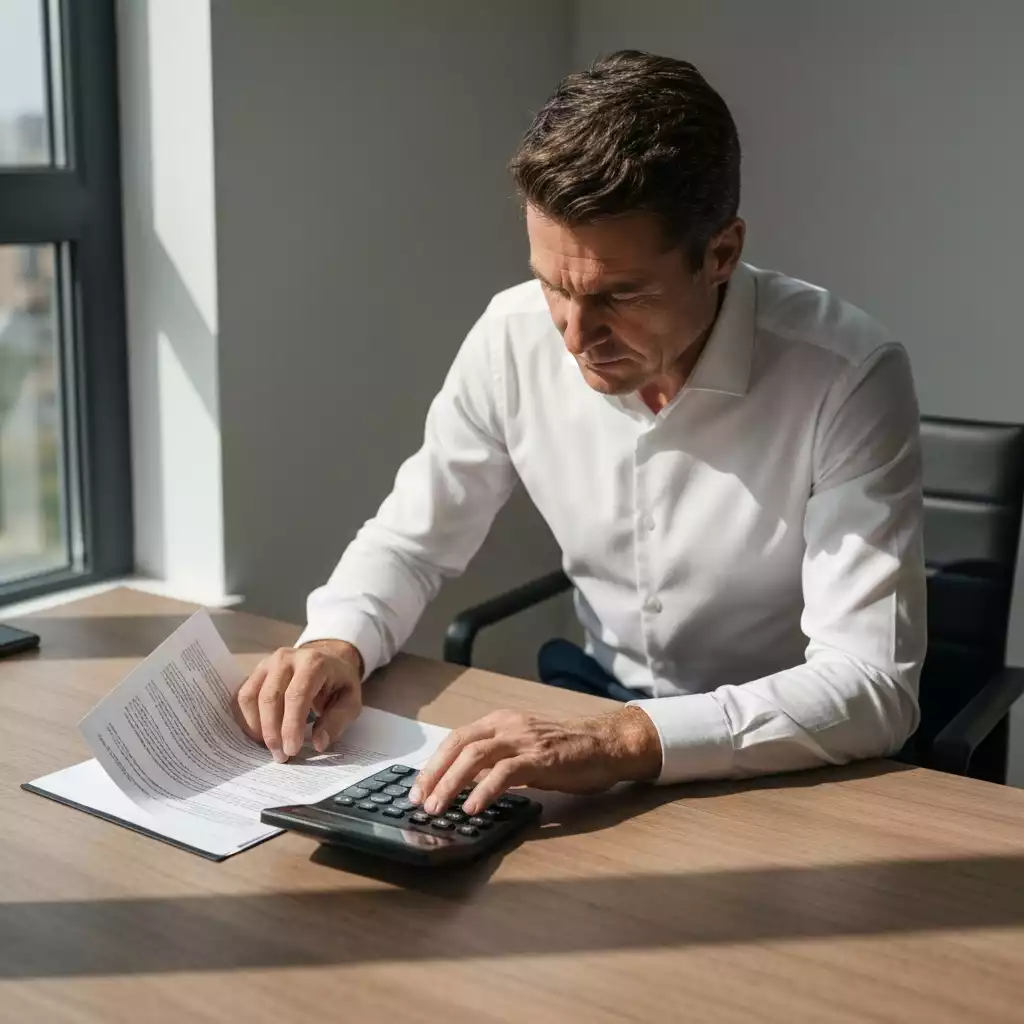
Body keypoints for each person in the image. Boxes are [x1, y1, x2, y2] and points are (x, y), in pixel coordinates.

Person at [234, 50, 926, 820]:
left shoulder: (848, 373)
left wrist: (618, 741)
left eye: (619, 295)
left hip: (780, 767)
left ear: (721, 254)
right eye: (552, 283)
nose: (573, 332)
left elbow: (869, 687)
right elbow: (411, 542)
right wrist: (337, 642)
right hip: (584, 729)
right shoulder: (512, 335)